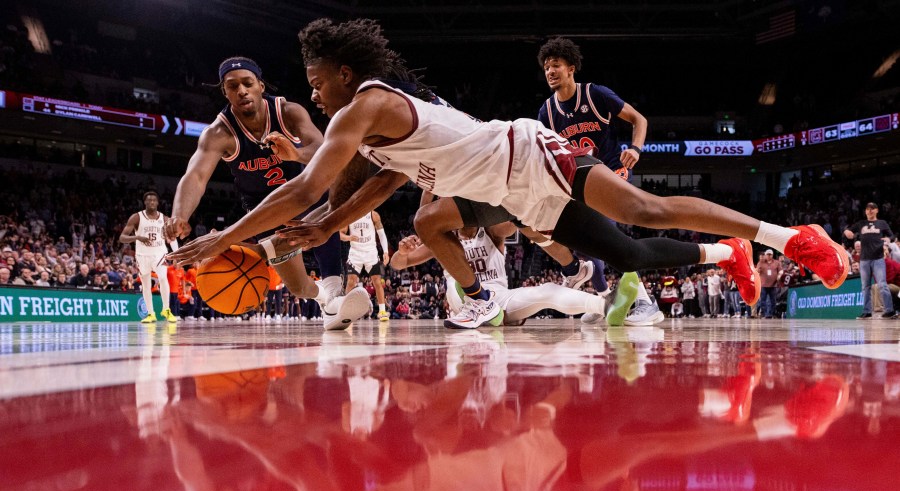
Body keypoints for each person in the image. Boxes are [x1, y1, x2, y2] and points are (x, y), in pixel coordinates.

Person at [168, 17, 849, 329]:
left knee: (643, 209)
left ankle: (790, 236)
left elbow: (308, 185)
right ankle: (724, 252)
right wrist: (313, 232)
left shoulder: (365, 102)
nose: (312, 94)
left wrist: (220, 237)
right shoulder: (368, 131)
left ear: (344, 74)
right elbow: (377, 185)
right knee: (630, 248)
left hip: (527, 154)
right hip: (510, 191)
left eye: (317, 82)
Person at [164, 56, 370, 331]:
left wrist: (295, 153)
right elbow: (196, 176)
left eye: (248, 83)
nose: (241, 91)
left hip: (305, 193)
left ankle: (335, 293)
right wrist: (180, 215)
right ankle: (324, 297)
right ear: (224, 92)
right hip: (265, 211)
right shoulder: (218, 133)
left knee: (324, 197)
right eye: (232, 86)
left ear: (260, 85)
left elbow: (325, 151)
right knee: (298, 287)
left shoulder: (288, 112)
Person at [536, 36, 664, 327]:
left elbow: (639, 119)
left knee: (607, 236)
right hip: (580, 181)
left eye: (555, 65)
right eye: (546, 68)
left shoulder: (596, 94)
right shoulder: (547, 112)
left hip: (612, 172)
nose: (550, 72)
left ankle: (645, 301)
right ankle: (606, 297)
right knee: (589, 243)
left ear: (571, 68)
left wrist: (636, 148)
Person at [390, 224, 610, 327]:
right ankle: (484, 308)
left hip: (499, 297)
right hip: (465, 302)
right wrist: (402, 253)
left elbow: (514, 222)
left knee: (547, 291)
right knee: (454, 284)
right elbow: (398, 264)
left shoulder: (492, 232)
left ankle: (607, 306)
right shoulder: (443, 240)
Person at [119, 191, 178, 323]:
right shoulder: (137, 217)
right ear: (145, 202)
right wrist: (138, 237)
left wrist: (176, 254)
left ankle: (166, 309)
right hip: (142, 255)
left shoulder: (165, 219)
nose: (151, 202)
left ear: (157, 203)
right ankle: (151, 313)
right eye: (149, 200)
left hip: (159, 253)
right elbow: (122, 237)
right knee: (145, 284)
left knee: (163, 278)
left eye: (154, 200)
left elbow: (172, 238)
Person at [843, 202, 896, 319]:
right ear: (865, 211)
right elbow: (849, 232)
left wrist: (888, 239)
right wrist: (847, 232)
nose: (870, 211)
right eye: (867, 209)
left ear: (877, 210)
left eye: (872, 209)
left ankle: (889, 310)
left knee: (882, 284)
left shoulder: (882, 223)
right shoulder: (861, 223)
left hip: (878, 258)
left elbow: (892, 236)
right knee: (865, 286)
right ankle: (867, 312)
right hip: (864, 259)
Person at [341, 210, 391, 320]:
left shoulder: (373, 214)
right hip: (355, 252)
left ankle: (382, 311)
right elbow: (340, 234)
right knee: (350, 282)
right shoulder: (349, 215)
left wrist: (386, 251)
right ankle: (346, 312)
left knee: (377, 281)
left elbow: (381, 234)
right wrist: (349, 238)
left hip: (370, 252)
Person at [756, 249, 781, 318]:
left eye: (770, 254)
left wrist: (779, 276)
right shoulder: (761, 262)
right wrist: (758, 270)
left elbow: (780, 271)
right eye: (767, 254)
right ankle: (763, 313)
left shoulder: (776, 262)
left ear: (772, 255)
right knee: (762, 300)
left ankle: (772, 314)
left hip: (773, 285)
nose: (769, 256)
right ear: (765, 255)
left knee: (773, 300)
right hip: (763, 284)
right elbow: (757, 271)